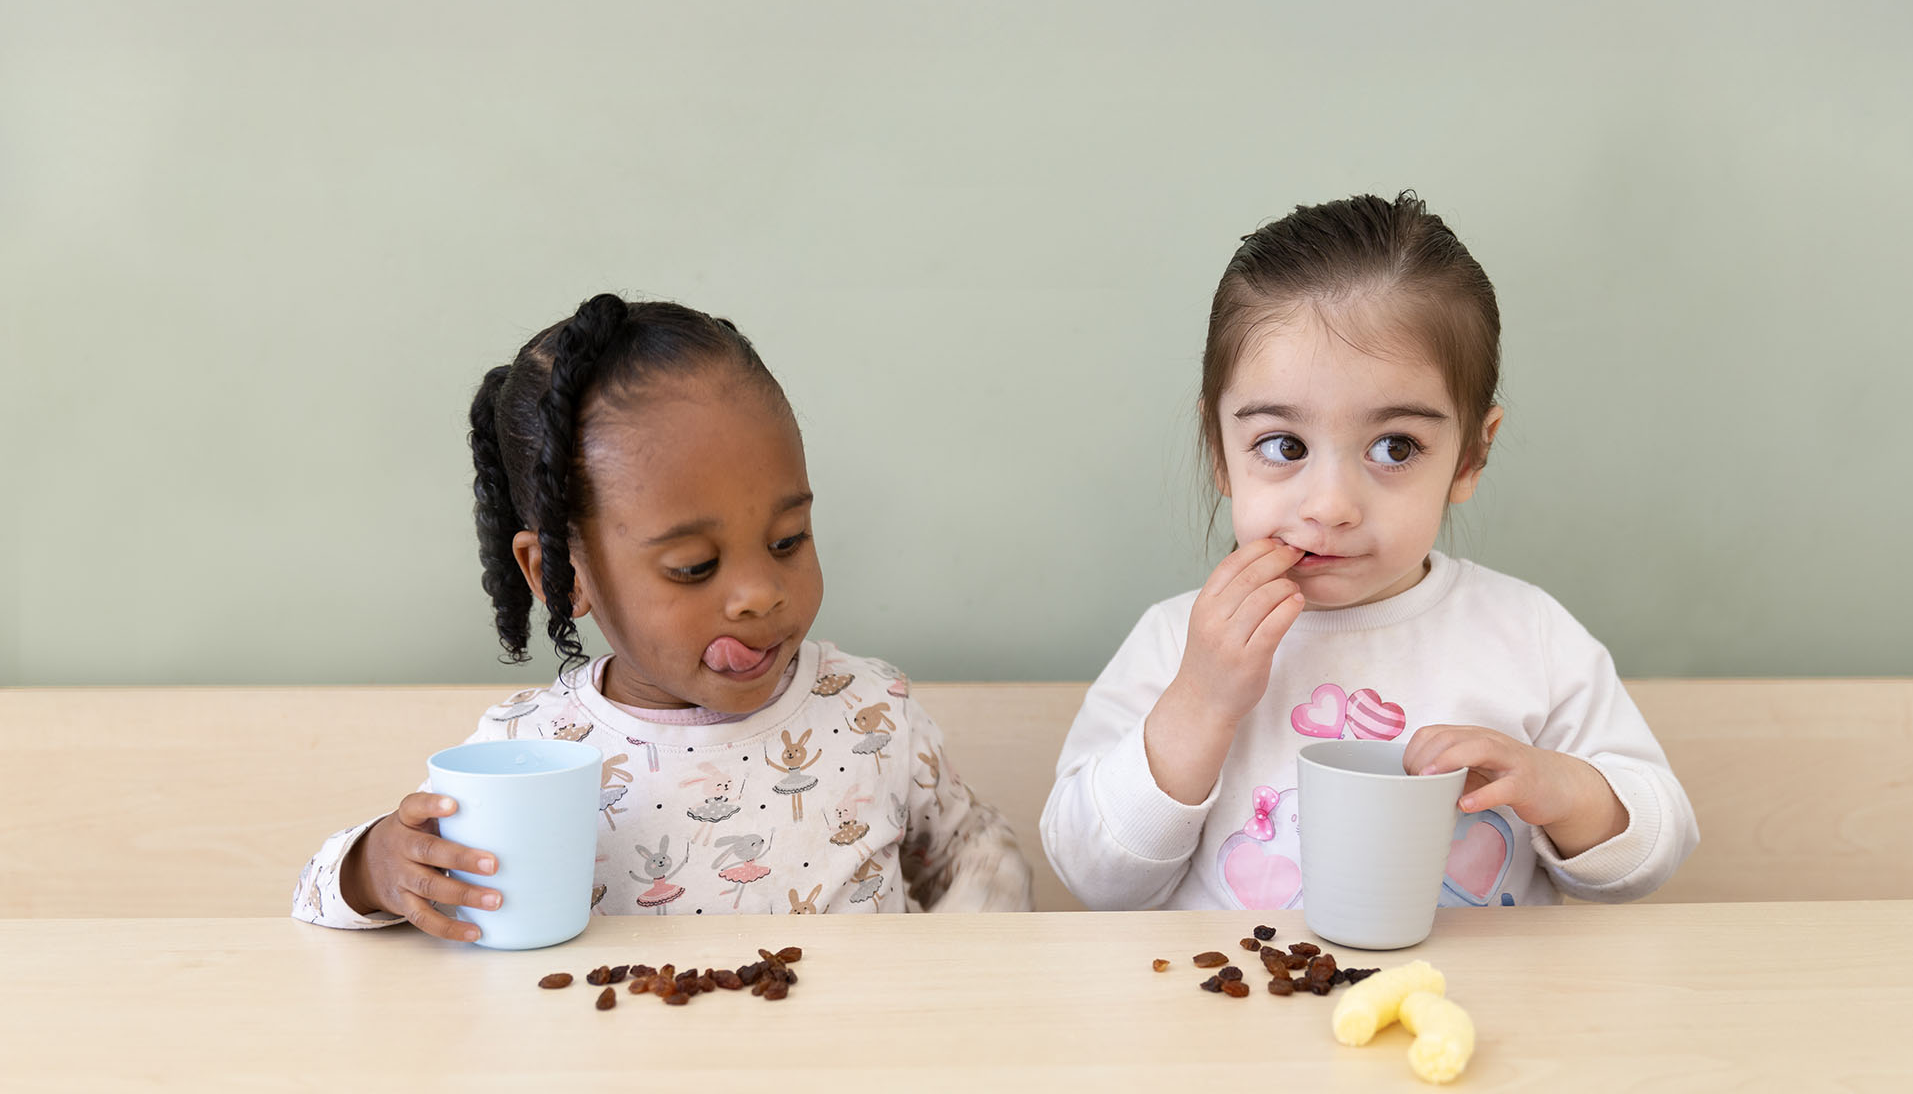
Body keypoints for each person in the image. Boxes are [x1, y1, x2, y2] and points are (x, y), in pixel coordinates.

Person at [295, 293, 1031, 935]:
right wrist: (375, 867)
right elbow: (317, 900)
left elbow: (976, 850)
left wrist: (959, 955)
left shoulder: (873, 715)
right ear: (562, 575)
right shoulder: (528, 748)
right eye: (694, 567)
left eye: (787, 540)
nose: (758, 593)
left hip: (843, 1081)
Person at [1042, 193, 1697, 912]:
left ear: (1472, 456)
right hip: (1235, 1021)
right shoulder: (1176, 643)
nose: (1330, 505)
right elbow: (1092, 876)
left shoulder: (1526, 634)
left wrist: (1562, 790)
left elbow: (1655, 851)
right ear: (1220, 453)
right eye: (1283, 446)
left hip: (1472, 1019)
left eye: (1395, 448)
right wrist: (1198, 702)